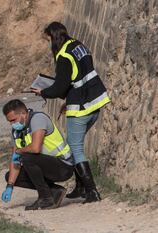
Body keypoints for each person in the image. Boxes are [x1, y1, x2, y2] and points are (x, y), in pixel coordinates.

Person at [31, 21, 111, 203]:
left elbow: (59, 87)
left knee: (74, 148)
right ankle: (81, 187)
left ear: (53, 37)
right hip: (94, 103)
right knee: (74, 144)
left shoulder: (64, 55)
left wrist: (43, 92)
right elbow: (79, 77)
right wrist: (68, 100)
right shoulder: (78, 46)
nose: (48, 43)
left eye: (48, 39)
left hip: (81, 108)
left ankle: (92, 192)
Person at [1, 99, 73, 210]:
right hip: (46, 165)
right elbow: (15, 161)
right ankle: (54, 191)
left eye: (13, 120)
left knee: (27, 157)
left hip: (63, 166)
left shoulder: (38, 119)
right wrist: (9, 186)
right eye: (9, 121)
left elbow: (35, 149)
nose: (11, 124)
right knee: (10, 176)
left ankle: (45, 198)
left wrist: (19, 152)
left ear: (23, 114)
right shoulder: (16, 132)